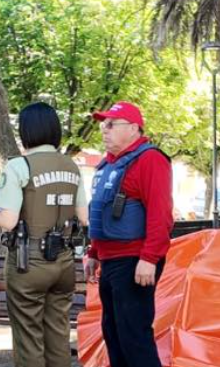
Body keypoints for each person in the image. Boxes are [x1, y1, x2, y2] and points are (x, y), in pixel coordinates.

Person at [0, 102, 88, 367]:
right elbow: (84, 217)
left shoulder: (19, 166)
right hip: (64, 261)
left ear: (25, 131)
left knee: (28, 337)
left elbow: (8, 220)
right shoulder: (71, 166)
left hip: (29, 261)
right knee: (58, 333)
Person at [83, 101, 173, 367]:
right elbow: (102, 211)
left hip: (134, 260)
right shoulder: (108, 164)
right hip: (111, 260)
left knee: (135, 338)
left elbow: (160, 213)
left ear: (134, 128)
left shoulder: (150, 159)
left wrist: (149, 258)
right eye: (103, 124)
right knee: (114, 335)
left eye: (112, 124)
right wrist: (94, 253)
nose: (104, 130)